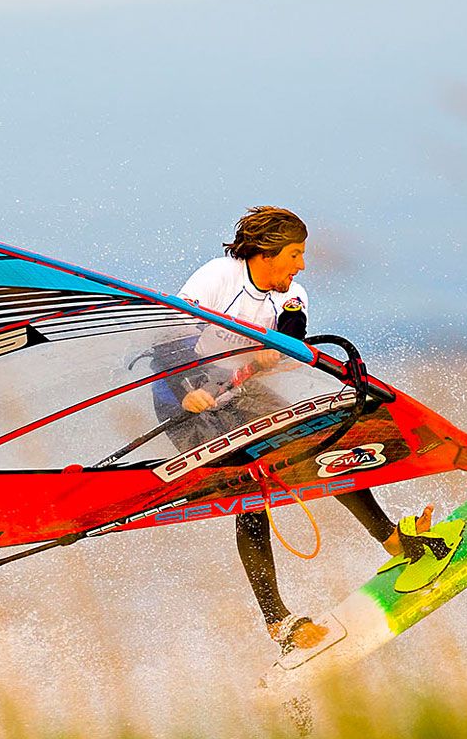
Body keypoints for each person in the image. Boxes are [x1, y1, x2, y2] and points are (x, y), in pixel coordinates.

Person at [170, 206, 441, 654]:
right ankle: (279, 623)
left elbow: (294, 326)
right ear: (266, 252)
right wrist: (185, 391)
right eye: (295, 254)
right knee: (250, 489)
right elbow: (166, 342)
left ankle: (392, 540)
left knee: (321, 446)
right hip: (187, 399)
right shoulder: (217, 277)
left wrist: (283, 346)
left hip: (242, 393)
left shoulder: (293, 292)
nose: (301, 264)